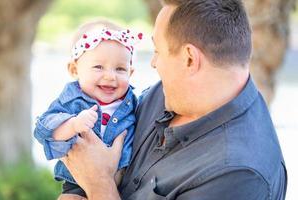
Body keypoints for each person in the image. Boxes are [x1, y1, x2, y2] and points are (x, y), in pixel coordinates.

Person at [61, 0, 287, 199]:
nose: (153, 63)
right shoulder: (167, 93)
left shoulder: (238, 175)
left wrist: (98, 183)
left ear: (190, 59)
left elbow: (96, 172)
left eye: (158, 51)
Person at [34, 20, 143, 199]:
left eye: (120, 69)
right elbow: (44, 129)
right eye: (98, 67)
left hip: (124, 187)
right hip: (77, 185)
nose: (110, 76)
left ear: (131, 73)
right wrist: (73, 125)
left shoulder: (133, 102)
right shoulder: (72, 100)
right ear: (74, 69)